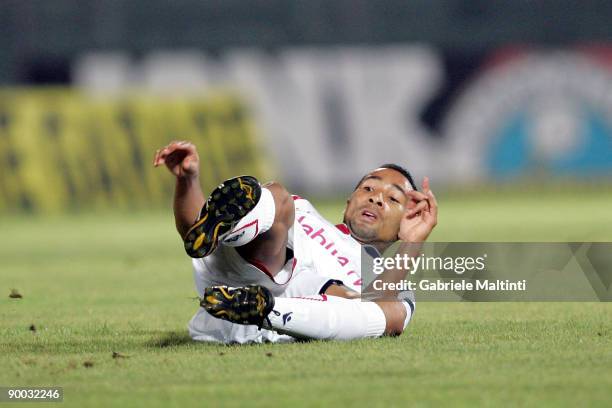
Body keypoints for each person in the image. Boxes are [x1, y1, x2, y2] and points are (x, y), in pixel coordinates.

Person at [153, 141, 438, 343]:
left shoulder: (390, 279)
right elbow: (196, 237)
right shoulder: (303, 213)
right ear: (349, 201)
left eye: (393, 198)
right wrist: (188, 182)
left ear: (406, 222)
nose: (376, 197)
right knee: (279, 197)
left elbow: (379, 308)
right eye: (368, 187)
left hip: (262, 309)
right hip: (245, 267)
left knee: (390, 313)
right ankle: (232, 228)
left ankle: (265, 308)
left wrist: (412, 242)